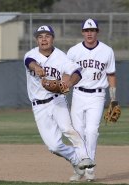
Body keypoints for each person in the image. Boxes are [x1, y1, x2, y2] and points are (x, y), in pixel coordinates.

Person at [24, 25, 95, 178]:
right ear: (37, 40)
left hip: (57, 100)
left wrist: (68, 84)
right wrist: (36, 67)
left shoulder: (61, 57)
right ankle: (76, 160)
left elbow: (77, 72)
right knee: (53, 146)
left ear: (53, 38)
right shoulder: (31, 54)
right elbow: (29, 61)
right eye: (40, 36)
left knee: (68, 129)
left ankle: (85, 157)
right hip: (38, 106)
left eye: (47, 36)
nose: (44, 39)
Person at [67, 18, 117, 182]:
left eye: (92, 30)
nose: (89, 33)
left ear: (97, 32)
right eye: (87, 30)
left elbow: (111, 74)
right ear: (82, 32)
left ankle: (89, 168)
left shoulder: (107, 51)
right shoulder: (74, 51)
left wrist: (113, 99)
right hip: (78, 94)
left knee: (91, 131)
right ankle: (79, 167)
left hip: (97, 95)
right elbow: (66, 73)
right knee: (78, 132)